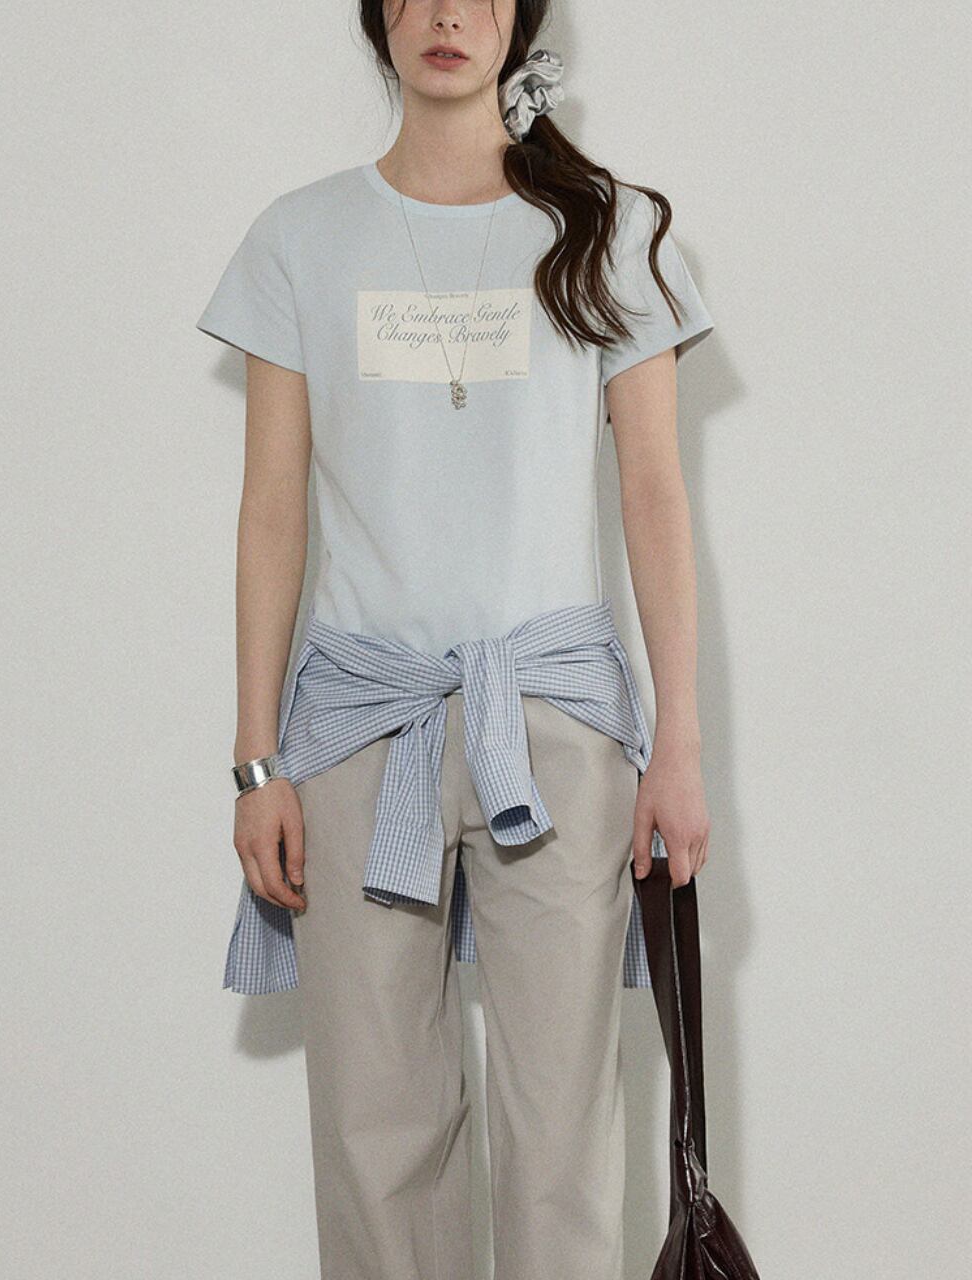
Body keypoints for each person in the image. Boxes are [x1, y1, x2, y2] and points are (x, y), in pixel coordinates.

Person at [194, 3, 715, 1277]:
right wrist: (257, 761)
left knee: (562, 1129)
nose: (445, 13)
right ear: (376, 17)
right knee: (375, 1127)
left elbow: (652, 492)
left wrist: (678, 746)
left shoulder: (605, 226)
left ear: (519, 22)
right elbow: (270, 510)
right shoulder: (299, 237)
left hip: (553, 722)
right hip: (359, 720)